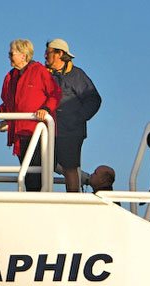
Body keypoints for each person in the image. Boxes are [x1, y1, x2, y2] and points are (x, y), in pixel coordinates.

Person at [0, 39, 61, 192]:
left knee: (36, 175)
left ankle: (39, 205)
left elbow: (55, 94)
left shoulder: (39, 71)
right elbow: (9, 103)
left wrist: (46, 109)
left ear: (23, 55)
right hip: (19, 135)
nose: (9, 56)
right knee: (28, 175)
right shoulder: (10, 76)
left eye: (11, 53)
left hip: (37, 132)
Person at [45, 38, 102, 192]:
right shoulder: (43, 74)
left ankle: (73, 199)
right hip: (48, 131)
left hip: (70, 131)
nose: (44, 56)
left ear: (59, 54)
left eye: (48, 52)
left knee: (70, 167)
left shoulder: (76, 75)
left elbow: (93, 99)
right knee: (43, 165)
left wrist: (77, 118)